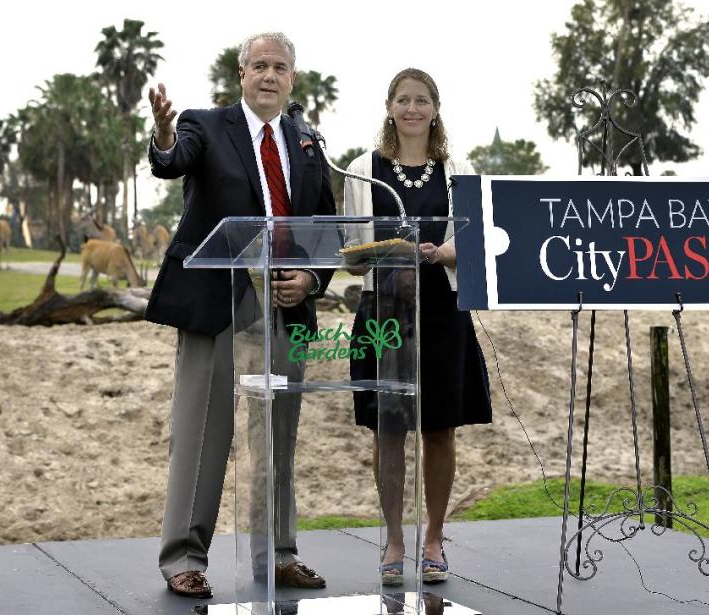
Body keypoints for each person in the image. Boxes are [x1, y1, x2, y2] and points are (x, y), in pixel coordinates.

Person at [145, 32, 335, 598]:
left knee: (277, 433)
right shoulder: (206, 126)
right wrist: (161, 132)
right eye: (260, 66)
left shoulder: (307, 142)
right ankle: (183, 556)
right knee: (203, 430)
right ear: (241, 73)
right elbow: (170, 160)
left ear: (292, 78)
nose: (269, 76)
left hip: (282, 305)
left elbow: (323, 229)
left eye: (280, 67)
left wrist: (312, 280)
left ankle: (278, 553)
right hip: (215, 301)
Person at [343, 68, 492, 586]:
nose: (412, 108)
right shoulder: (362, 170)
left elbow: (470, 242)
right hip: (383, 313)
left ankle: (432, 539)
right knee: (389, 431)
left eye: (422, 100)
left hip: (442, 311)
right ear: (389, 107)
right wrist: (383, 253)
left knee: (439, 429)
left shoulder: (457, 169)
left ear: (435, 108)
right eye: (403, 100)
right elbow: (351, 259)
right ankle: (392, 541)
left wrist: (438, 251)